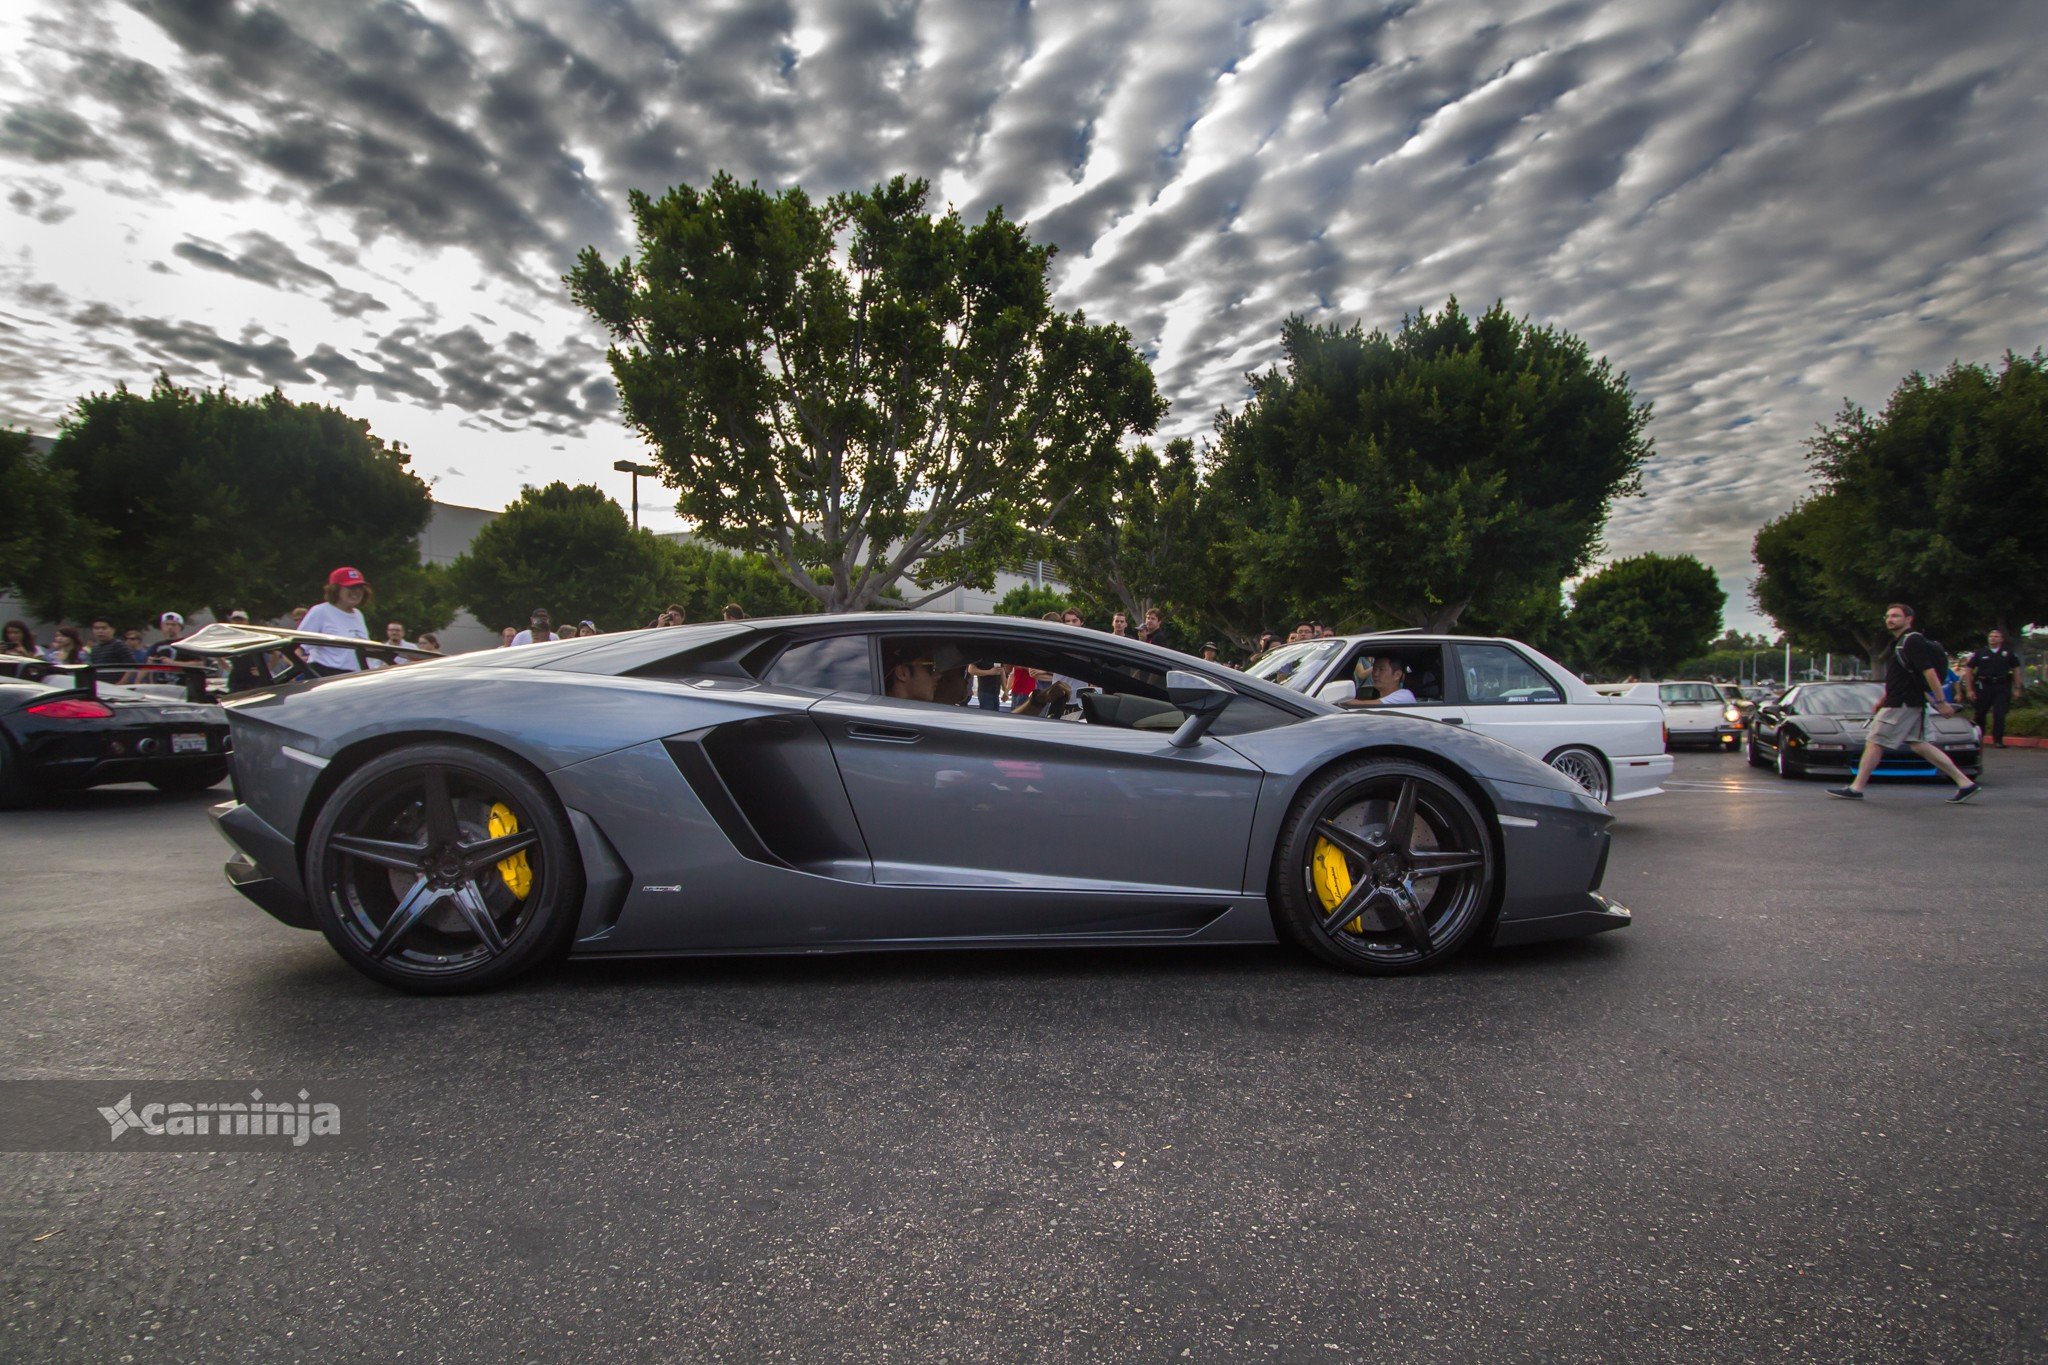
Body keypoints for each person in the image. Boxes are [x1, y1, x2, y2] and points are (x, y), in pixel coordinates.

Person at [1829, 603, 1980, 803]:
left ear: (1909, 619)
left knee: (1875, 741)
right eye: (1888, 616)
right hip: (1906, 701)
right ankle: (1966, 784)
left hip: (1902, 703)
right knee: (1919, 744)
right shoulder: (1900, 643)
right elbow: (1906, 676)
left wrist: (1942, 701)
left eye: (1895, 616)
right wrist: (1883, 700)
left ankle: (1856, 787)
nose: (1890, 619)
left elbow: (1929, 672)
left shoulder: (1911, 640)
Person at [298, 567, 374, 675]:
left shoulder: (358, 615)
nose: (357, 591)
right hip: (326, 675)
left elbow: (365, 648)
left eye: (360, 587)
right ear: (335, 589)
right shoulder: (320, 611)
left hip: (355, 676)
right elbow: (298, 647)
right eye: (350, 587)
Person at [1962, 628, 2020, 748]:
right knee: (1980, 714)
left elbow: (2016, 669)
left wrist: (2017, 687)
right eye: (1991, 636)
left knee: (2000, 713)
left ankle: (1998, 740)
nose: (1992, 638)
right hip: (1984, 686)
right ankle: (1979, 738)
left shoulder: (2008, 652)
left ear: (2001, 639)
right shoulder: (1981, 652)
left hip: (2002, 686)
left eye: (1996, 636)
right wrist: (1969, 689)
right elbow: (1968, 669)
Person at [1339, 655, 1418, 708]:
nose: (1375, 674)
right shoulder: (1383, 699)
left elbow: (1364, 704)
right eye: (1374, 669)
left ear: (1397, 675)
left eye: (1381, 670)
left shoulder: (1404, 696)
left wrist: (1340, 699)